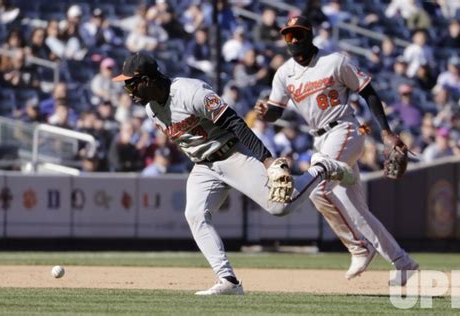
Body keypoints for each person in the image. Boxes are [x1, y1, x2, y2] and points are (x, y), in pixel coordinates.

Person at [113, 52, 355, 295]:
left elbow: (236, 123)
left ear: (148, 80)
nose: (128, 90)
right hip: (204, 166)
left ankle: (322, 168)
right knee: (195, 215)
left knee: (280, 207)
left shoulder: (190, 92)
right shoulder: (151, 109)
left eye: (131, 83)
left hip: (232, 154)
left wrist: (268, 160)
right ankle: (228, 280)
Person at [254, 16, 418, 286]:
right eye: (288, 35)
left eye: (298, 34)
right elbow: (275, 112)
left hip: (344, 130)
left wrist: (386, 132)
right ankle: (403, 262)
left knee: (318, 189)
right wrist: (265, 112)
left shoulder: (335, 61)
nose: (294, 40)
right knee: (356, 210)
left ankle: (358, 248)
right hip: (320, 139)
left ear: (310, 34)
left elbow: (368, 91)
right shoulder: (284, 73)